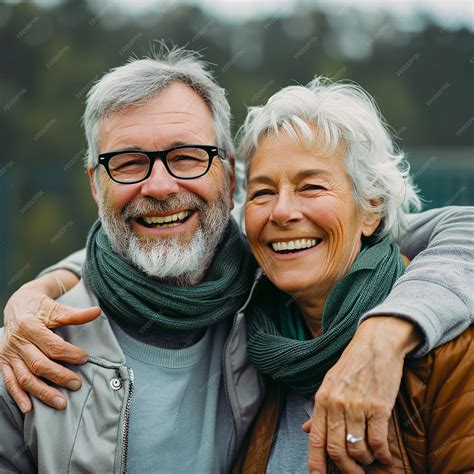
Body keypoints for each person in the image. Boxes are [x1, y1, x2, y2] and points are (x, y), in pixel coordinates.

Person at [0, 49, 473, 472]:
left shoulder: (260, 309)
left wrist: (385, 334)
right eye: (128, 163)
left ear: (227, 179)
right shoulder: (27, 354)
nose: (160, 187)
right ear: (94, 183)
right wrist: (43, 287)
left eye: (186, 157)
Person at [233, 78, 474, 473]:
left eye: (311, 186)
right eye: (262, 192)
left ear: (371, 209)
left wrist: (383, 335)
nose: (281, 212)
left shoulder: (454, 350)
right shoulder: (245, 347)